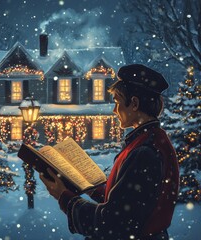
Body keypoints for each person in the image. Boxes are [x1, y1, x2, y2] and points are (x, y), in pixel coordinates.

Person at [40, 64, 180, 240]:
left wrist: (65, 197)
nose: (114, 110)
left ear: (134, 103)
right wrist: (94, 188)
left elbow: (113, 223)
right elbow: (128, 203)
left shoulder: (145, 152)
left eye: (117, 102)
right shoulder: (150, 141)